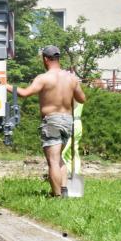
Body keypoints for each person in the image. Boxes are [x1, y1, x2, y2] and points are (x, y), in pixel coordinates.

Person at [11, 45, 86, 196]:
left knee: (52, 160)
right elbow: (82, 99)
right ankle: (63, 190)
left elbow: (24, 93)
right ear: (58, 58)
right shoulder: (71, 78)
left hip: (52, 121)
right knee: (59, 158)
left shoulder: (44, 78)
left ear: (45, 59)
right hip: (67, 121)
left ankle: (57, 196)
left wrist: (4, 85)